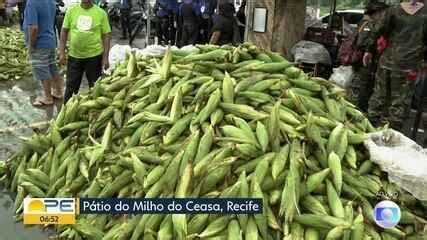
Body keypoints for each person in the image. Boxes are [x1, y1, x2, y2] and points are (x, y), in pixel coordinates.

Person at [363, 0, 427, 131]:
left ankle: (369, 129)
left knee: (378, 96)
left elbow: (379, 31)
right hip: (408, 66)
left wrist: (369, 50)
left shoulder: (394, 10)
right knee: (399, 103)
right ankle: (391, 134)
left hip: (387, 62)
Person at [59, 0, 111, 102]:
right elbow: (64, 31)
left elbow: (106, 35)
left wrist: (105, 57)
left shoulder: (101, 13)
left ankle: (94, 113)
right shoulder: (71, 11)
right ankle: (67, 111)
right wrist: (62, 53)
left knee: (95, 88)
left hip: (94, 57)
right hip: (74, 56)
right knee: (71, 88)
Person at [348, 2, 388, 112]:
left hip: (373, 63)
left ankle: (363, 108)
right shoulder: (368, 25)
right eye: (383, 13)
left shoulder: (381, 25)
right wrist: (374, 47)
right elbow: (361, 43)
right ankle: (357, 109)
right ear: (377, 13)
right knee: (362, 87)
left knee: (369, 87)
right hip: (364, 63)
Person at [24, 0, 63, 106]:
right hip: (50, 39)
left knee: (41, 68)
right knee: (51, 67)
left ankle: (47, 97)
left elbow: (33, 28)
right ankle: (58, 92)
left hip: (39, 42)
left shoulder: (31, 2)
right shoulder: (50, 2)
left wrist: (30, 46)